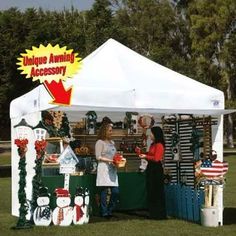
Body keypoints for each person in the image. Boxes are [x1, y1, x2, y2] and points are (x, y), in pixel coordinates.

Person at [139, 126, 166, 220]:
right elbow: (151, 155)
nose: (150, 135)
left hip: (156, 169)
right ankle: (153, 213)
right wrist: (143, 154)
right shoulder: (153, 145)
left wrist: (146, 156)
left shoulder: (159, 145)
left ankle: (159, 214)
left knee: (156, 191)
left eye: (151, 133)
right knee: (151, 190)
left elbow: (157, 158)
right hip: (151, 168)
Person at [95, 123, 119, 218]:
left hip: (112, 169)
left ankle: (110, 210)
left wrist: (118, 160)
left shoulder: (112, 143)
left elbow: (115, 155)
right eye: (109, 130)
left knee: (115, 191)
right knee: (104, 191)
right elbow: (98, 156)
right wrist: (110, 160)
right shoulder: (99, 142)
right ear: (104, 131)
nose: (111, 132)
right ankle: (104, 212)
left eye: (111, 130)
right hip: (104, 168)